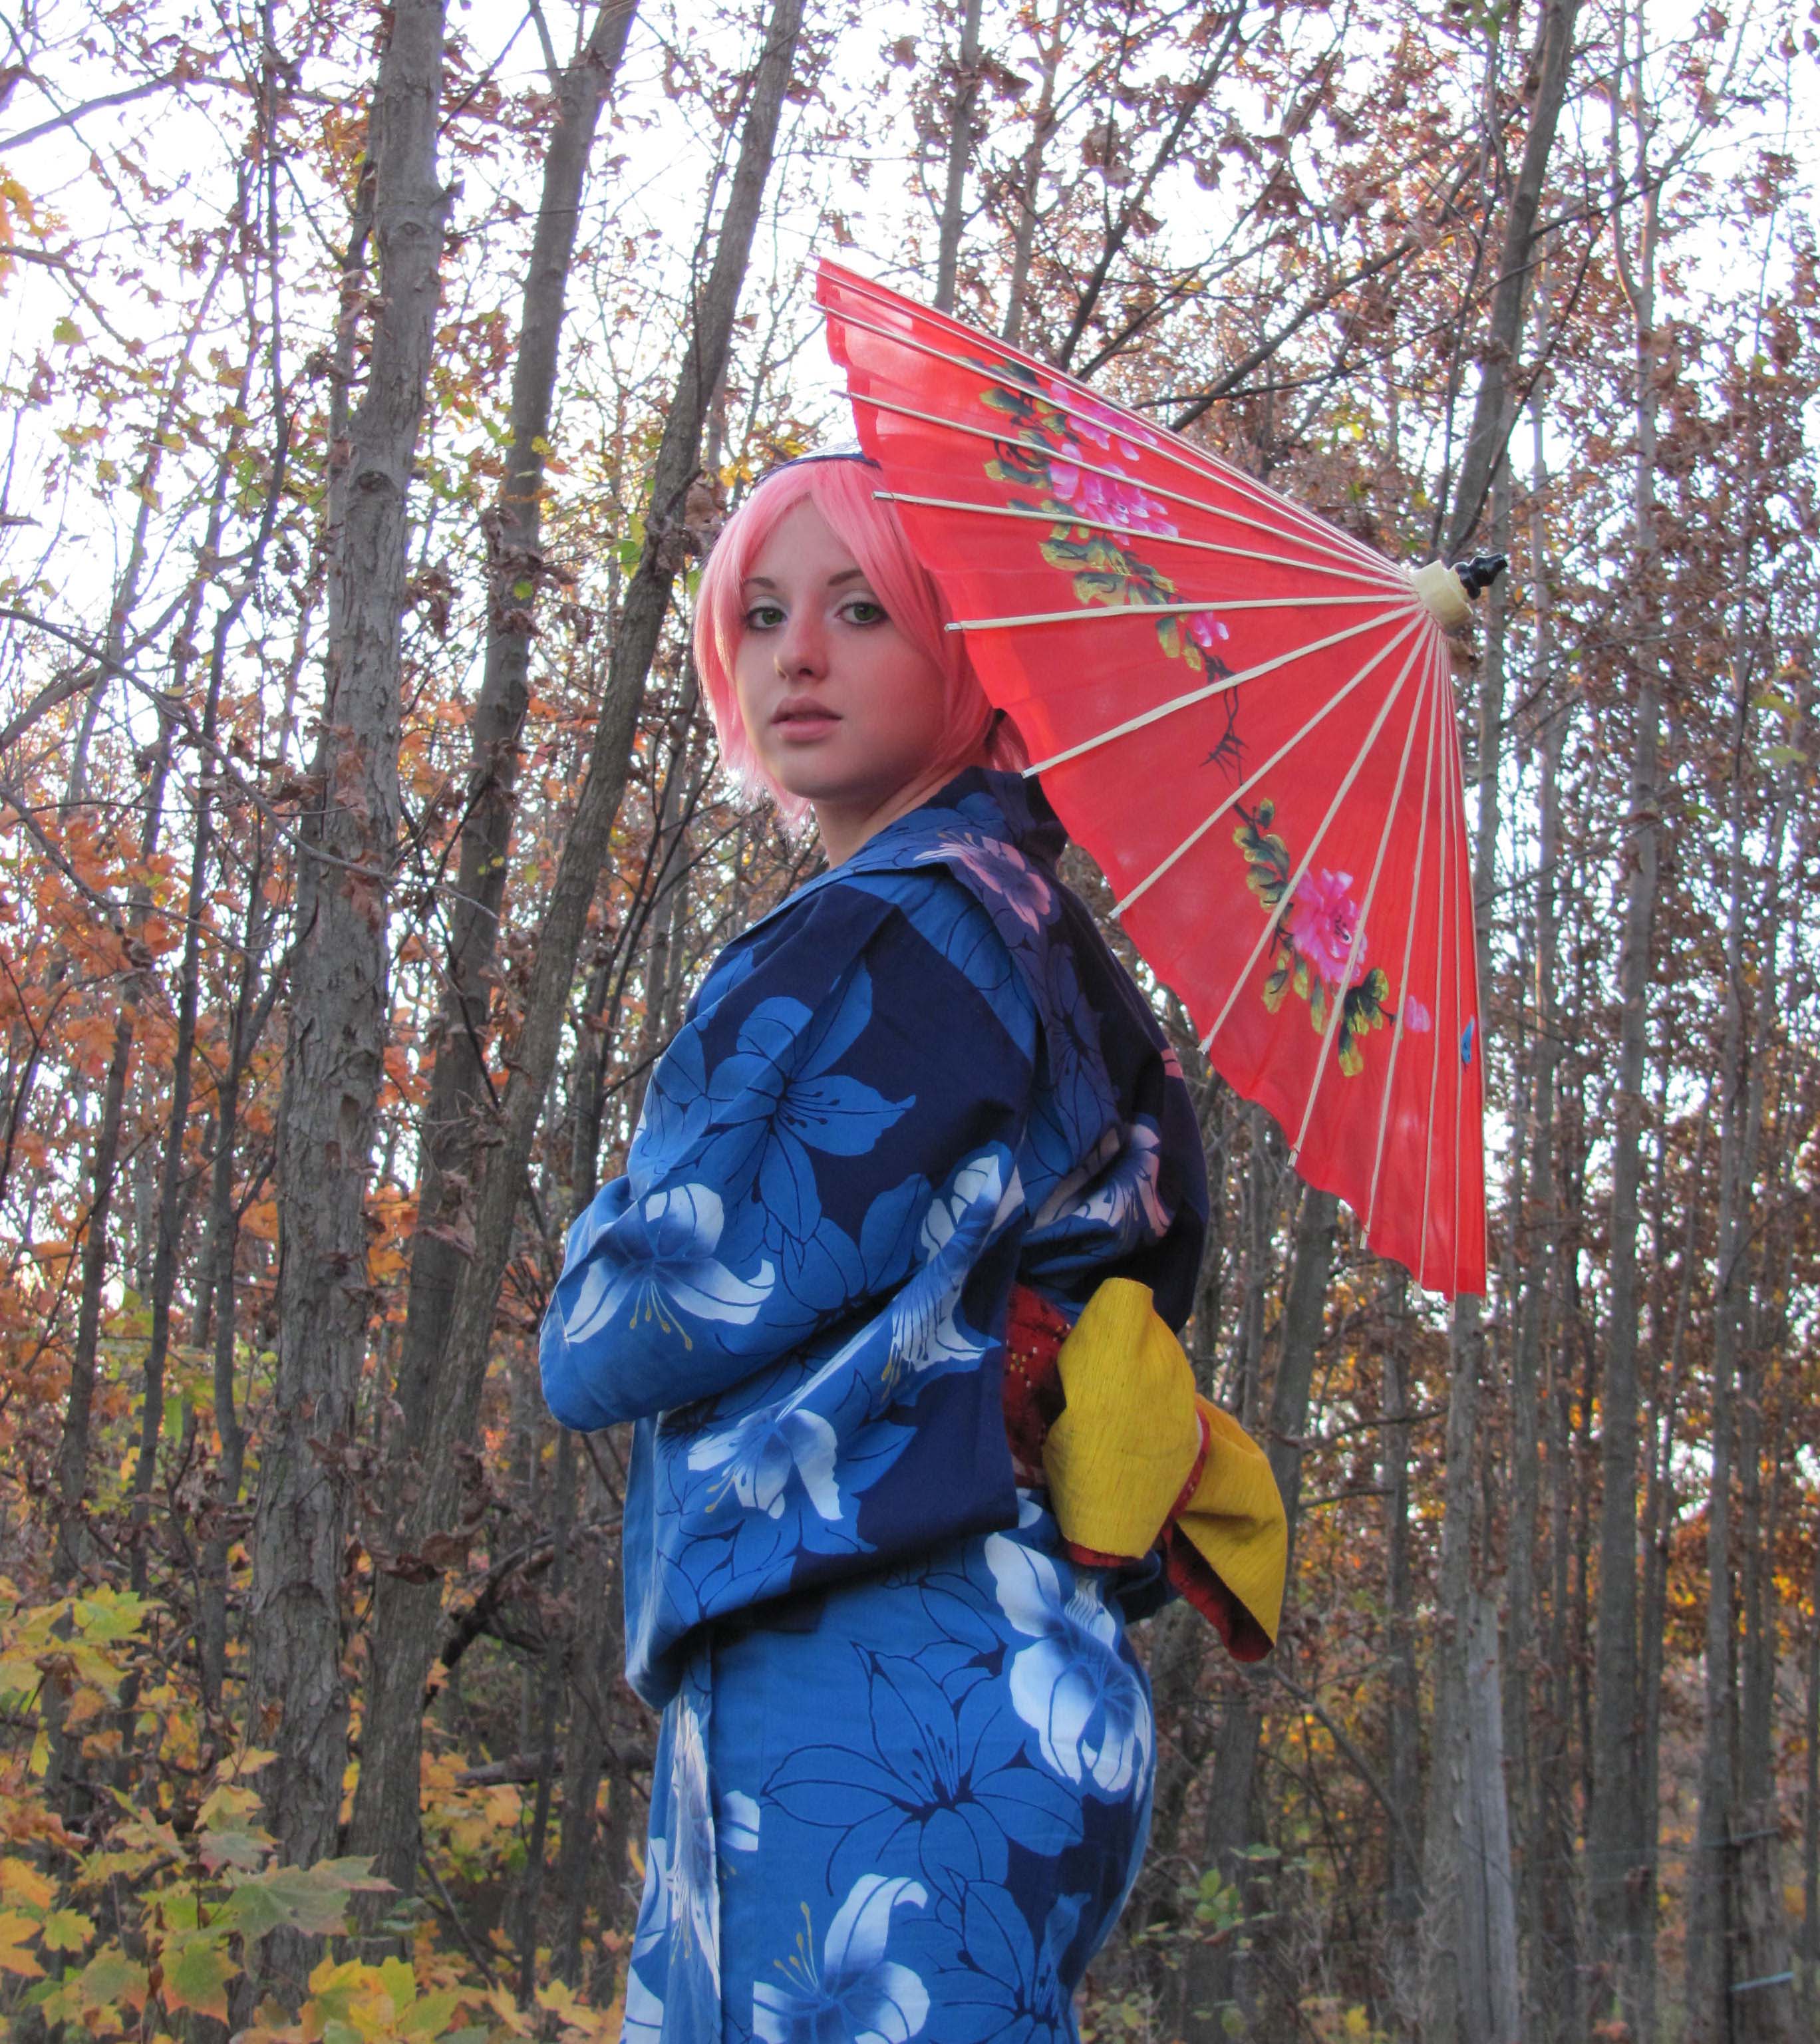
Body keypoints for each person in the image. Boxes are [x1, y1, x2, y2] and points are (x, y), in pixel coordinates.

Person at [539, 452, 1281, 2044]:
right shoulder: (1042, 936)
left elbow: (618, 1327)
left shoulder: (899, 926)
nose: (797, 654)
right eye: (760, 614)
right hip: (1027, 1665)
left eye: (862, 608)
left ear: (967, 647)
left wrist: (608, 1225)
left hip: (873, 1676)